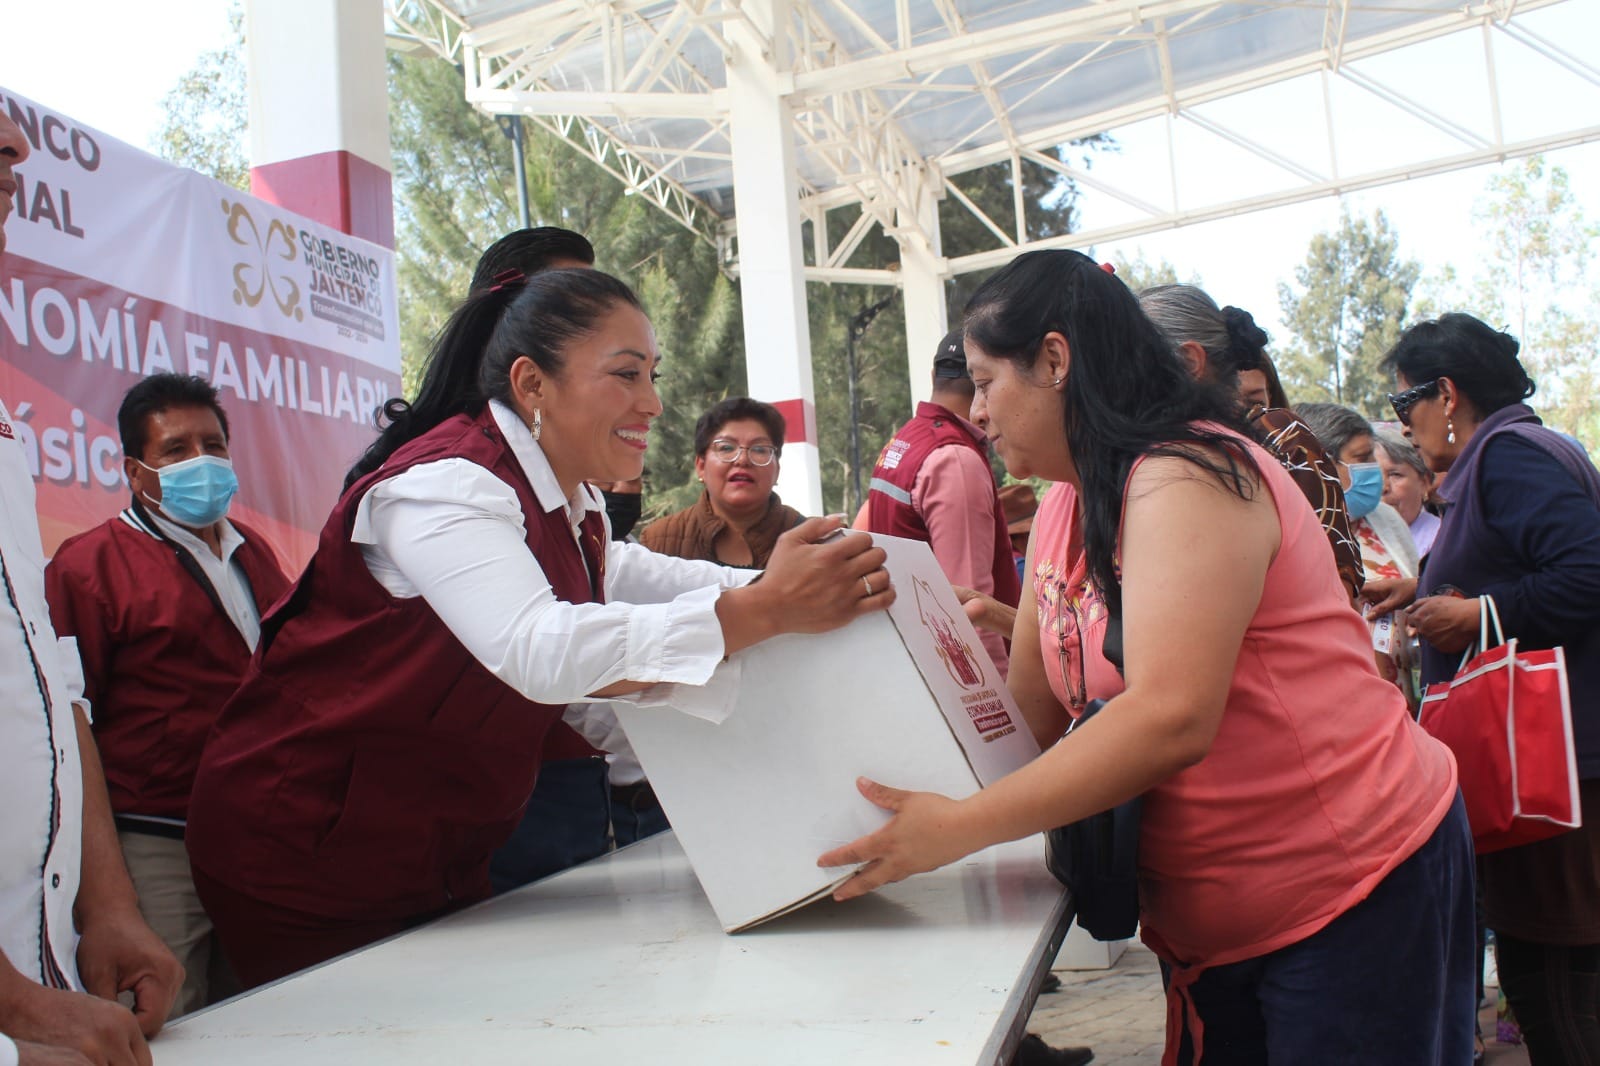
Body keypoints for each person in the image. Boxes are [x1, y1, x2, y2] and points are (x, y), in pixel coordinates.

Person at [820, 249, 1474, 1065]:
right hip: (1213, 919)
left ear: (1055, 360)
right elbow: (1028, 712)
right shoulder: (1066, 497)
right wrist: (863, 795)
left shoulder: (1187, 475)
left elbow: (1169, 717)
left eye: (988, 383)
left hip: (1350, 885)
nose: (977, 411)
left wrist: (955, 829)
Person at [183, 268, 893, 989]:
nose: (652, 402)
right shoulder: (444, 484)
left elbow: (638, 575)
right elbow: (537, 645)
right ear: (532, 385)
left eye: (652, 375)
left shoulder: (568, 502)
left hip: (425, 846)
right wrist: (764, 609)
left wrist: (828, 586)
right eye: (625, 375)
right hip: (304, 845)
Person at [0, 104, 183, 1066]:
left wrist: (105, 904)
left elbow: (46, 686)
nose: (15, 148)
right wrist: (17, 1004)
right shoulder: (104, 559)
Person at [1383, 313, 1600, 1065]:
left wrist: (1476, 614)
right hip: (1557, 770)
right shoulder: (1516, 454)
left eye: (1403, 405)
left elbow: (1585, 573)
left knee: (1560, 994)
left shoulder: (1508, 456)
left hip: (1558, 777)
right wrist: (1427, 587)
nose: (1403, 427)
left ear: (1445, 393)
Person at [43, 375, 289, 1016]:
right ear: (135, 470)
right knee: (166, 1017)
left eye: (213, 445)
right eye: (177, 450)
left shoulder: (252, 552)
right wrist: (104, 892)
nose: (201, 462)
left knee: (264, 1014)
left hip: (258, 838)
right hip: (153, 842)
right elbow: (67, 725)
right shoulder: (88, 566)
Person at [1137, 284, 1364, 602]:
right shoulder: (1148, 458)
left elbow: (1337, 587)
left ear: (1191, 363)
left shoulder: (1282, 437)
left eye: (1130, 358)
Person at [866, 329, 1020, 675]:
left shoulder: (903, 443)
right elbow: (971, 609)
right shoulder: (956, 461)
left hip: (915, 663)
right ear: (984, 382)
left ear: (934, 376)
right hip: (954, 677)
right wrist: (1003, 713)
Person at [638, 397, 805, 567]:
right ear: (701, 466)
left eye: (759, 449)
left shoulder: (811, 540)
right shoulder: (657, 542)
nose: (743, 460)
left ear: (777, 471)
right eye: (726, 448)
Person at [1374, 428, 1440, 557]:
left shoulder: (1442, 539)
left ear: (1424, 482)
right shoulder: (1355, 537)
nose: (1383, 487)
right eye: (1372, 476)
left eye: (1395, 474)